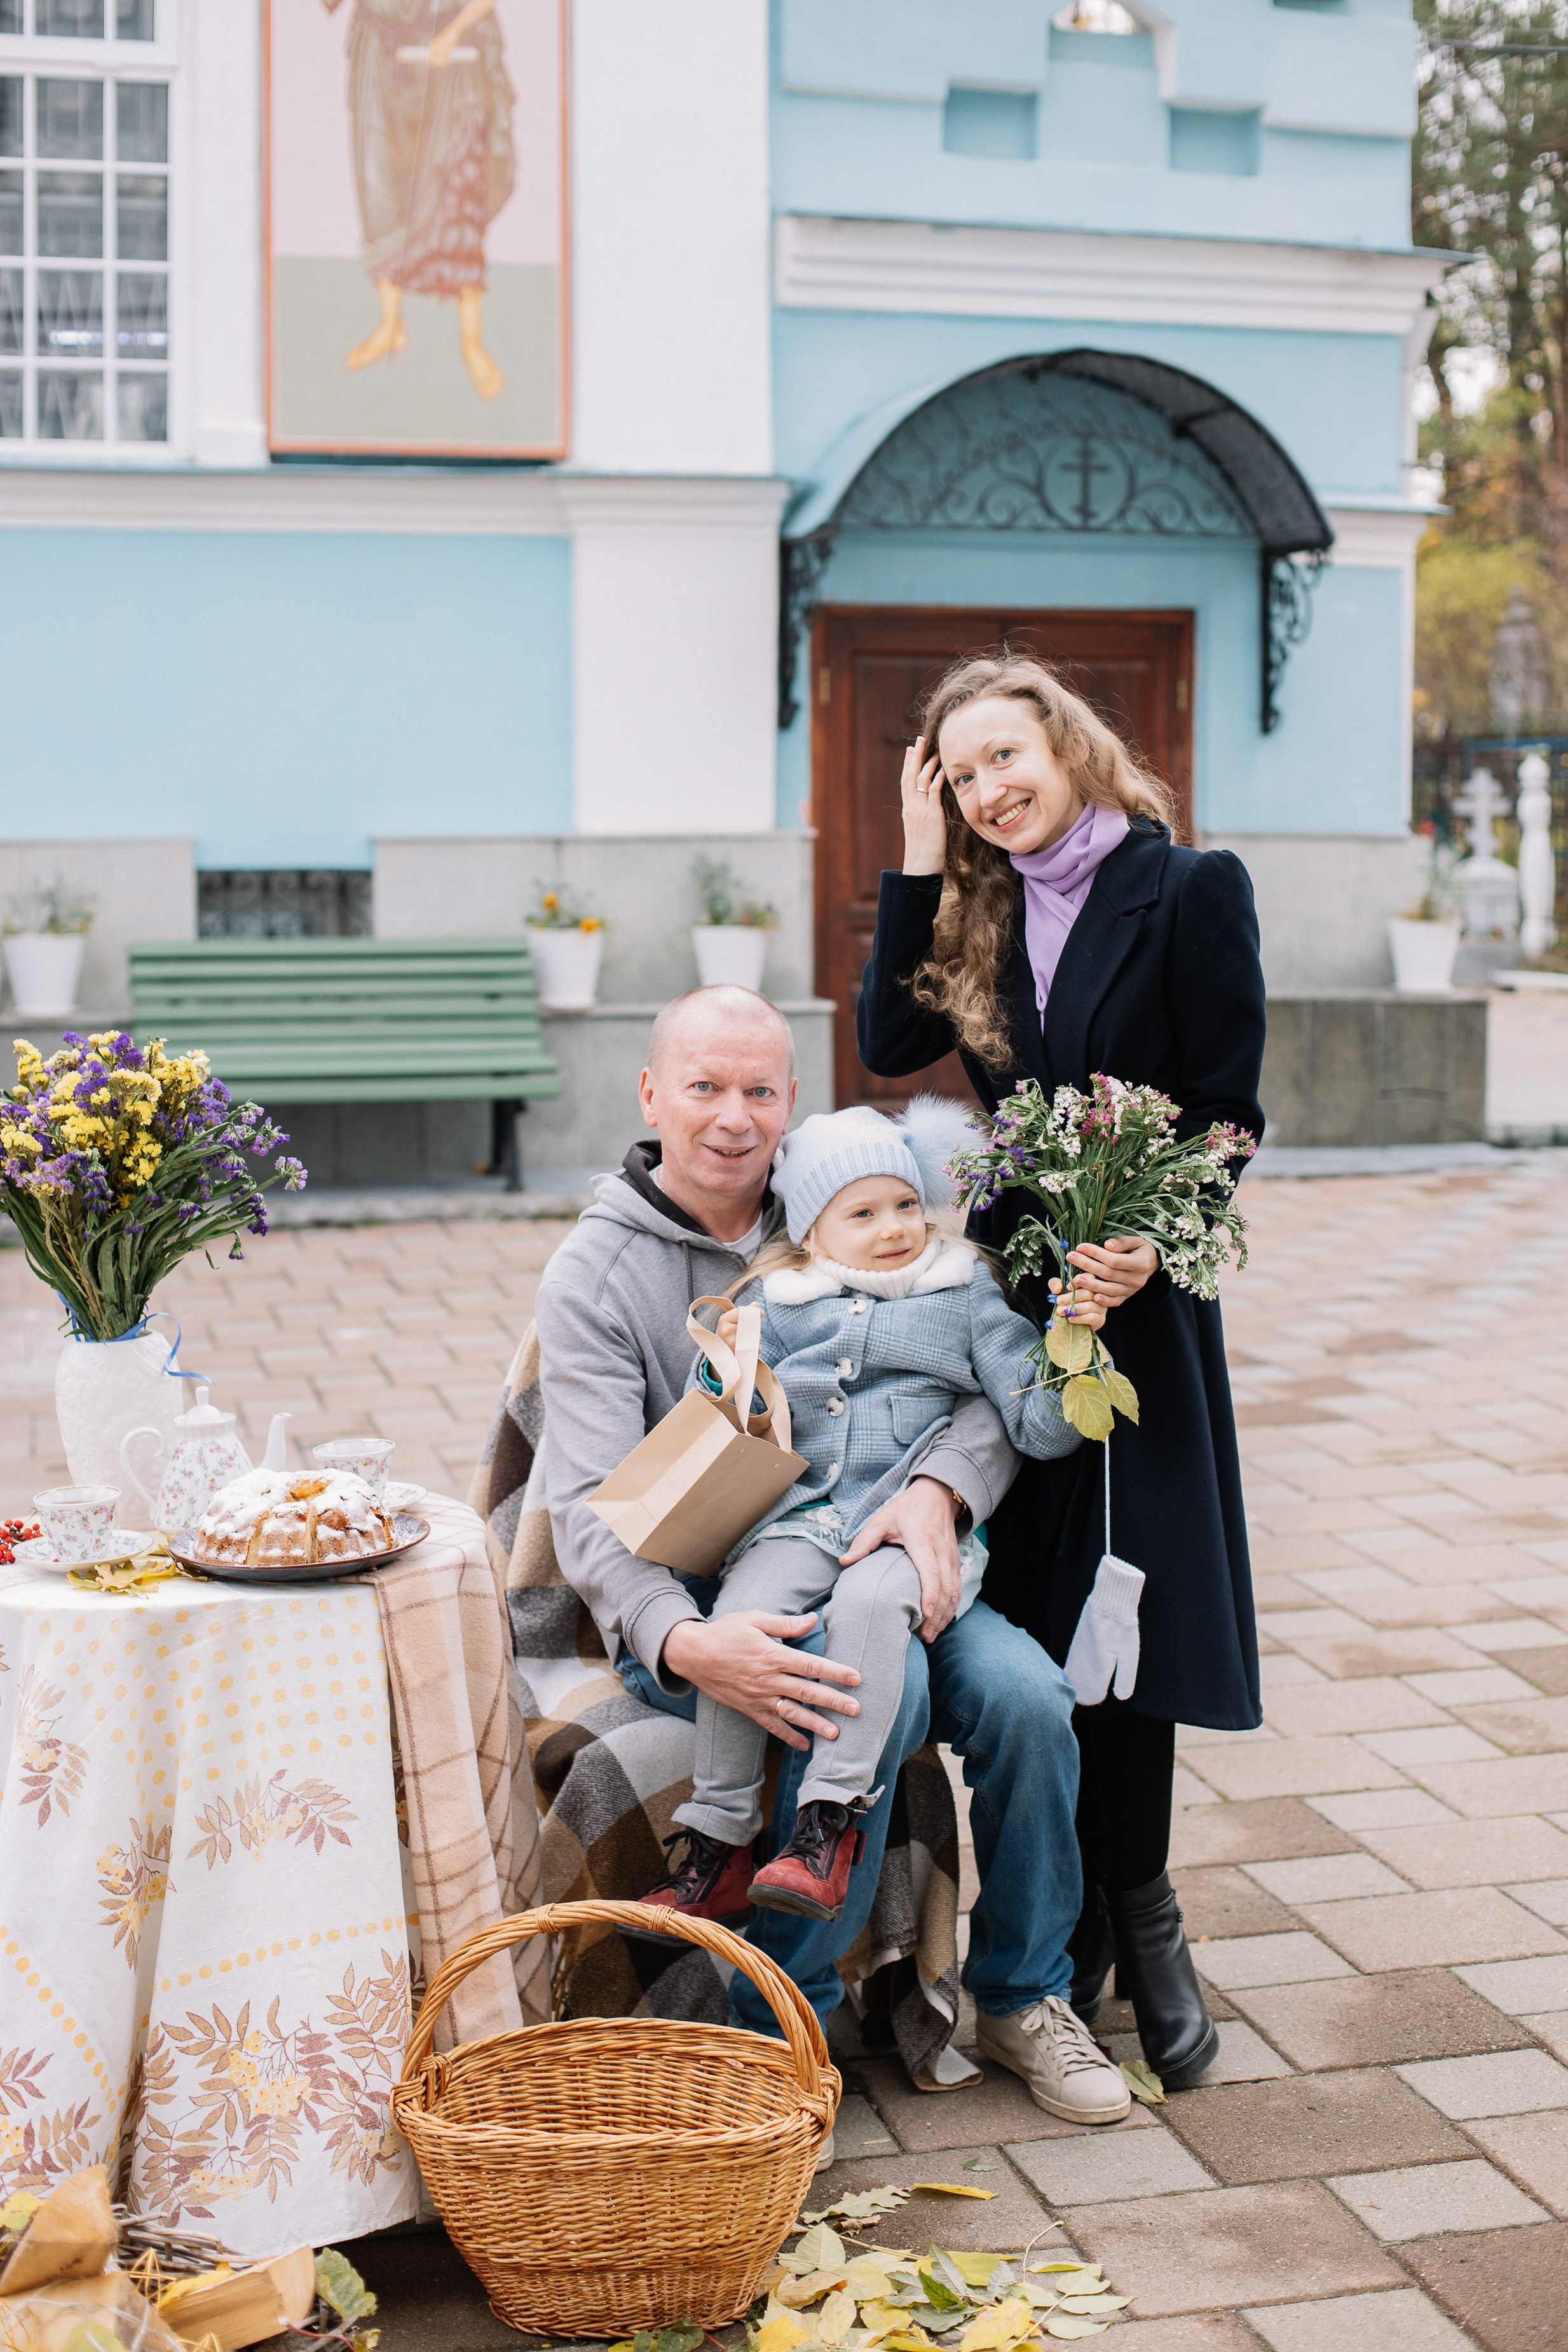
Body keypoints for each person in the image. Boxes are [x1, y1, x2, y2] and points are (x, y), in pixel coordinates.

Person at [533, 985, 1131, 2127]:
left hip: (891, 1561)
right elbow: (587, 1507)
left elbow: (972, 1384)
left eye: (759, 1091)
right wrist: (685, 1638)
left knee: (1029, 1701)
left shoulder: (839, 1205)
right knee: (864, 1690)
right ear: (652, 1093)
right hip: (718, 1595)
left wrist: (935, 1491)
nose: (731, 1118)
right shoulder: (598, 1274)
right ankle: (785, 2035)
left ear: (792, 1106)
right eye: (703, 1088)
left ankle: (1021, 1995)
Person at [856, 652, 1266, 2092]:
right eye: (959, 773)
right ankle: (1066, 1929)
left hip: (1135, 1302)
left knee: (1129, 1611)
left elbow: (1226, 1111)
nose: (989, 788)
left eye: (1003, 757)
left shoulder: (1185, 886)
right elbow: (888, 1047)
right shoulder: (973, 901)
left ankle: (1137, 1913)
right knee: (1034, 1609)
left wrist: (1153, 1241)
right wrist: (918, 859)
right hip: (1017, 1299)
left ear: (1068, 745)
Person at [632, 1099, 1103, 1930]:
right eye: (862, 1213)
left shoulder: (961, 1293)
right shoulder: (778, 1301)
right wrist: (725, 1383)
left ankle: (828, 1824)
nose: (892, 1228)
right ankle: (718, 1843)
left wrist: (1070, 1352)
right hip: (792, 1521)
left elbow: (1038, 1430)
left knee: (866, 1607)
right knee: (741, 1623)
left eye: (905, 1205)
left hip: (902, 1526)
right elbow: (717, 1419)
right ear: (810, 1231)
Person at [324, 0, 514, 399]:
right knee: (378, 183)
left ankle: (471, 341)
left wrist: (456, 30)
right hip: (379, 49)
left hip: (451, 48)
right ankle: (391, 325)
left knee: (457, 189)